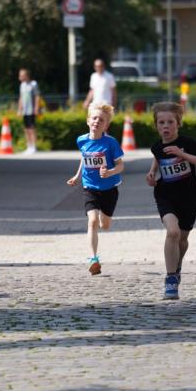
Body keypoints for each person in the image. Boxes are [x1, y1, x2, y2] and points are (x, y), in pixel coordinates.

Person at [146, 102, 196, 300]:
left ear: (178, 123)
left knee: (182, 239)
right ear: (156, 125)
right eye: (161, 123)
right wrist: (151, 173)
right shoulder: (156, 146)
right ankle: (171, 278)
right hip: (165, 196)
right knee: (172, 232)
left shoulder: (188, 142)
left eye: (170, 122)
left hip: (189, 197)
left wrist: (183, 154)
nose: (166, 126)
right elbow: (158, 158)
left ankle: (177, 266)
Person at [67, 103, 124, 275]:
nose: (97, 121)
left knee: (104, 225)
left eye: (101, 120)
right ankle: (93, 259)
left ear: (106, 125)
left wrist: (110, 172)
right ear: (88, 121)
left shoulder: (111, 143)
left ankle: (102, 219)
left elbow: (121, 165)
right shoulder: (81, 140)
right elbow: (84, 158)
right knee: (92, 221)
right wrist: (77, 176)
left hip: (109, 188)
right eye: (94, 118)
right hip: (89, 187)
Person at [18, 68, 40, 154]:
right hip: (25, 110)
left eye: (22, 75)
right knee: (26, 129)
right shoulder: (22, 85)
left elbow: (37, 96)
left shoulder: (33, 84)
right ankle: (29, 146)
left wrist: (36, 108)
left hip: (31, 109)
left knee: (32, 128)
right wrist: (19, 109)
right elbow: (21, 97)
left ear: (27, 76)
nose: (20, 77)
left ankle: (34, 146)